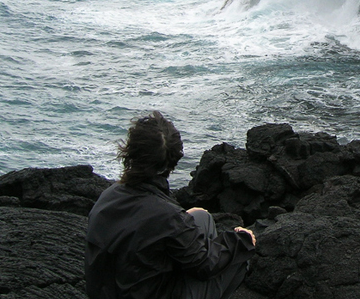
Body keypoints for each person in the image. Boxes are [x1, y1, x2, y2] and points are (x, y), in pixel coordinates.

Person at [86, 111, 256, 299]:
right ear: (173, 161)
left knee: (202, 218)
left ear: (131, 152)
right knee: (239, 257)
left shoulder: (108, 195)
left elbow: (145, 228)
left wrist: (181, 220)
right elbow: (205, 265)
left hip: (112, 289)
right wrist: (240, 240)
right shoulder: (168, 216)